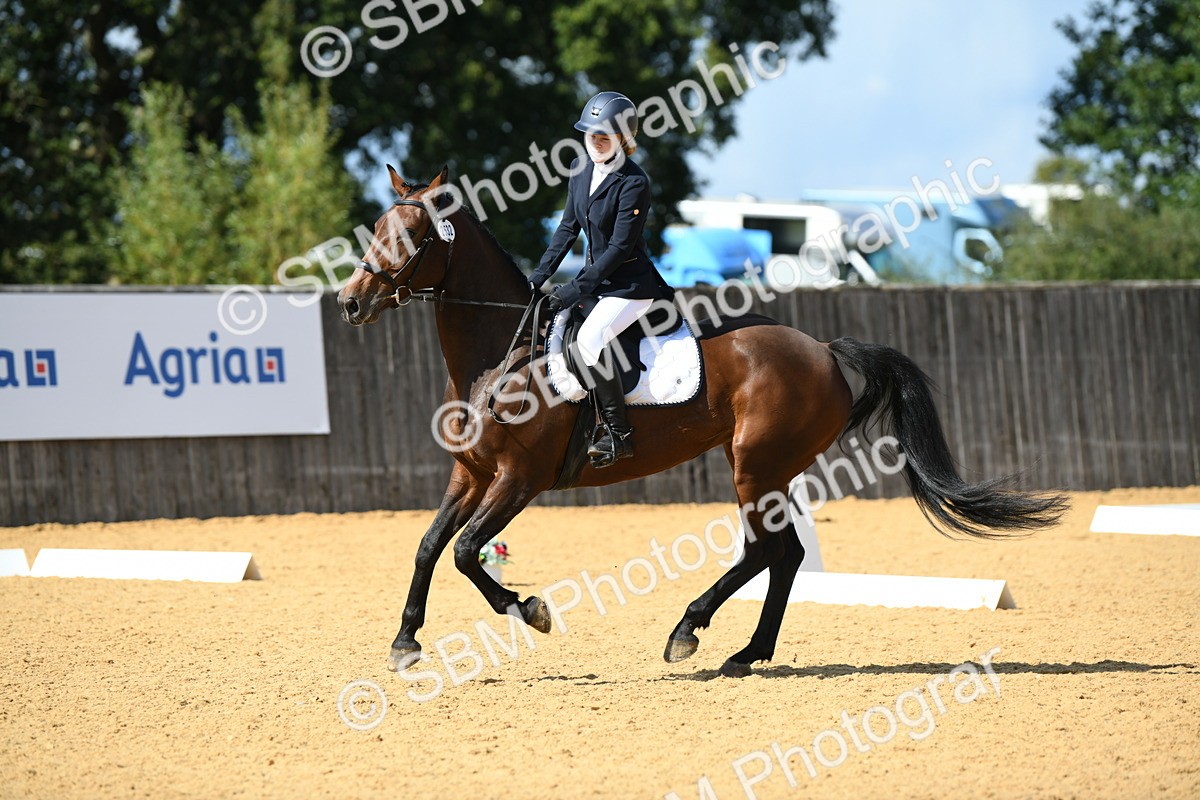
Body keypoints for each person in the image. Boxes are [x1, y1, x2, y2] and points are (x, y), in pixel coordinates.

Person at [529, 91, 676, 468]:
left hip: (630, 287)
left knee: (589, 339)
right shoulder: (579, 169)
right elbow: (567, 228)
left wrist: (573, 290)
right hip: (597, 283)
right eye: (590, 134)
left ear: (623, 138)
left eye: (604, 136)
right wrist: (538, 277)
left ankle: (618, 434)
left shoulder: (634, 182)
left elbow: (619, 248)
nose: (595, 141)